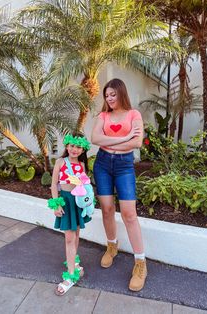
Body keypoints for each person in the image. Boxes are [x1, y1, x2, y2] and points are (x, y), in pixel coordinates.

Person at [91, 78, 147, 291]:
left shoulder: (134, 115)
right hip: (103, 164)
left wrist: (109, 139)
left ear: (121, 93)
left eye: (113, 94)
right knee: (106, 209)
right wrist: (121, 138)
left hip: (124, 166)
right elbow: (95, 138)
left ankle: (140, 262)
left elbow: (137, 142)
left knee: (129, 213)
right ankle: (112, 246)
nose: (109, 98)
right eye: (106, 95)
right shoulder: (103, 115)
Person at [48, 133, 92, 296]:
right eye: (72, 145)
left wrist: (88, 202)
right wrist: (56, 203)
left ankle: (73, 263)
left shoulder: (82, 164)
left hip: (77, 202)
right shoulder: (60, 162)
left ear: (83, 149)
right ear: (67, 146)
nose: (74, 149)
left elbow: (85, 185)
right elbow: (54, 184)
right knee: (69, 237)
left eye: (78, 147)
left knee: (76, 233)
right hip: (65, 201)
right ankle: (71, 274)